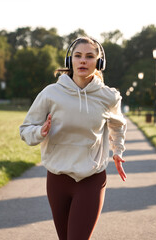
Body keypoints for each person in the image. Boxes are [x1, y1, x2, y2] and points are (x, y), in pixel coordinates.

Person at [20, 37, 127, 240]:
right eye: (78, 56)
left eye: (89, 56)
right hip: (57, 179)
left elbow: (118, 125)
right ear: (70, 61)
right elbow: (25, 129)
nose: (83, 61)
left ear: (99, 63)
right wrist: (40, 132)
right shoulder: (51, 93)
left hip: (91, 178)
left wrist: (117, 150)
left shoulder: (108, 96)